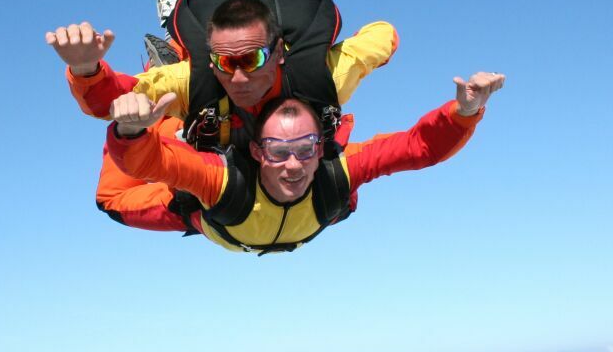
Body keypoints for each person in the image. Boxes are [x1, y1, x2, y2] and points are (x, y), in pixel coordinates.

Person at [47, 0, 398, 231]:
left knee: (155, 142)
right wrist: (87, 69)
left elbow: (383, 38)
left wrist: (88, 72)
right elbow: (384, 37)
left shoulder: (324, 75)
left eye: (252, 59)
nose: (240, 75)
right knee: (174, 109)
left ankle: (185, 50)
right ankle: (192, 53)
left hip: (215, 181)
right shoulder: (325, 76)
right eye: (227, 62)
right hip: (222, 157)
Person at [104, 71, 505, 253]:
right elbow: (155, 165)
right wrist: (132, 132)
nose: (293, 165)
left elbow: (418, 148)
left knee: (122, 190)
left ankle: (183, 106)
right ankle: (177, 97)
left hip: (230, 224)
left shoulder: (339, 171)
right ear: (260, 154)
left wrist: (463, 112)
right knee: (115, 199)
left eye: (306, 149)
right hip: (212, 213)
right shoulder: (219, 182)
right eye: (278, 152)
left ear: (320, 148)